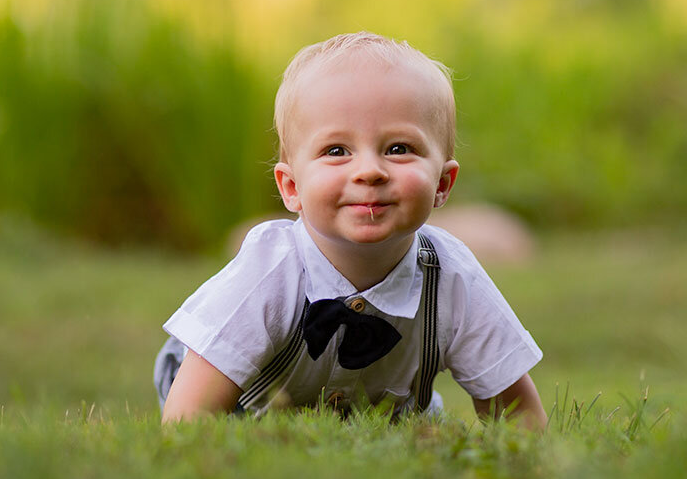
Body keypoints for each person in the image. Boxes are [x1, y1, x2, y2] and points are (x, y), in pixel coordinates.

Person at [154, 32, 546, 429]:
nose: (369, 171)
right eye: (336, 151)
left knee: (418, 427)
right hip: (240, 403)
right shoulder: (269, 272)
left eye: (398, 148)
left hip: (390, 413)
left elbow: (519, 416)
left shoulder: (453, 278)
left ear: (442, 184)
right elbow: (188, 417)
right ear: (291, 188)